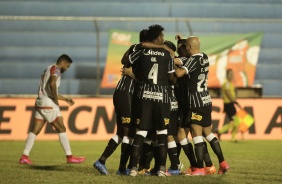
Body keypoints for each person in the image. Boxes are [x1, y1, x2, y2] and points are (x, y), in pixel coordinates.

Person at [93, 29, 149, 175]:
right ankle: (122, 168)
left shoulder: (134, 48)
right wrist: (133, 75)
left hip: (122, 92)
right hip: (126, 93)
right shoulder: (143, 52)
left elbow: (124, 61)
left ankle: (102, 161)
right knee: (128, 132)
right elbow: (142, 78)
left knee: (121, 132)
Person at [175, 36, 229, 175]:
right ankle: (222, 162)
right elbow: (183, 60)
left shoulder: (192, 60)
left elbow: (180, 73)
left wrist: (169, 63)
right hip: (206, 100)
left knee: (196, 135)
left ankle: (199, 168)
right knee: (208, 134)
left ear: (190, 48)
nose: (185, 48)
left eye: (186, 46)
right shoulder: (204, 57)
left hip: (195, 102)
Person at [126, 24, 175, 177]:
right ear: (158, 38)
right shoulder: (168, 54)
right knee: (162, 132)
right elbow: (172, 78)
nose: (164, 39)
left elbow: (125, 60)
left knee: (141, 132)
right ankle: (161, 169)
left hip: (144, 96)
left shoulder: (141, 51)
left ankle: (133, 168)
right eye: (162, 36)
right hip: (162, 97)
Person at [19, 54, 85, 164]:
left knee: (35, 130)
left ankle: (24, 156)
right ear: (63, 63)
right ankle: (69, 157)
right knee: (62, 128)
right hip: (48, 103)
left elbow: (49, 88)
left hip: (40, 101)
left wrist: (65, 99)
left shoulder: (49, 68)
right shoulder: (57, 70)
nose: (67, 69)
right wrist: (55, 100)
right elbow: (52, 83)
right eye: (67, 66)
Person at [216, 69, 240, 142]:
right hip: (229, 104)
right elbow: (227, 92)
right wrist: (234, 100)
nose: (231, 75)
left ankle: (221, 132)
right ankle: (221, 131)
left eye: (232, 74)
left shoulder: (229, 83)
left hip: (230, 104)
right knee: (236, 121)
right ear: (227, 75)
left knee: (236, 121)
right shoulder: (226, 83)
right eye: (230, 74)